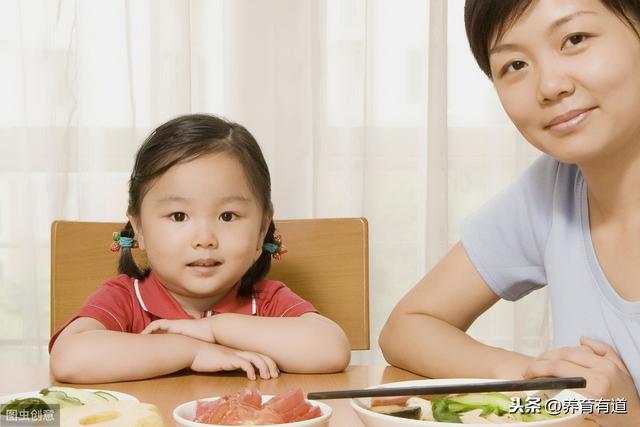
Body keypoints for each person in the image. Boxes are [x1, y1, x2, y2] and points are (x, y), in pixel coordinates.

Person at [379, 0, 640, 425]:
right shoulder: (553, 187)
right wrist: (541, 380)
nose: (549, 85)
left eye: (574, 39)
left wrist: (631, 416)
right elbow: (408, 326)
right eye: (515, 65)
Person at [50, 114, 350, 383]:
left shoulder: (266, 301)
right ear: (139, 228)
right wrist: (191, 350)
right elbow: (69, 358)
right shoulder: (127, 297)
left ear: (261, 230)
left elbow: (331, 349)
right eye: (178, 216)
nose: (205, 238)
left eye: (227, 216)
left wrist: (214, 329)